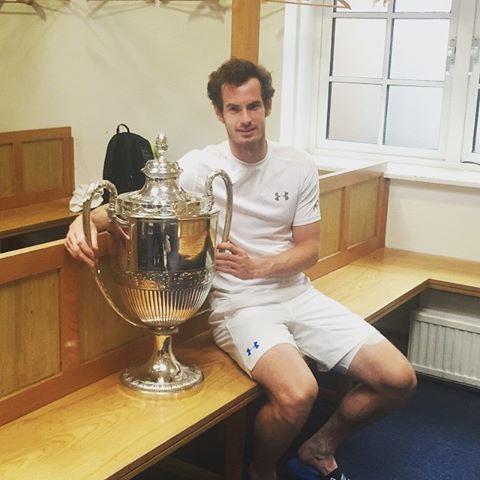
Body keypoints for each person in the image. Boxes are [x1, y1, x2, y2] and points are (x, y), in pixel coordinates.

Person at [65, 58, 417, 480]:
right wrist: (79, 222)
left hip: (297, 293)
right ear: (220, 113)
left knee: (399, 379)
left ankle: (320, 445)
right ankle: (262, 468)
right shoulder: (200, 168)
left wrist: (259, 265)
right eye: (234, 109)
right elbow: (132, 203)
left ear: (267, 106)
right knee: (298, 394)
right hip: (239, 306)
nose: (245, 119)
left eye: (253, 106)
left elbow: (309, 250)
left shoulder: (297, 164)